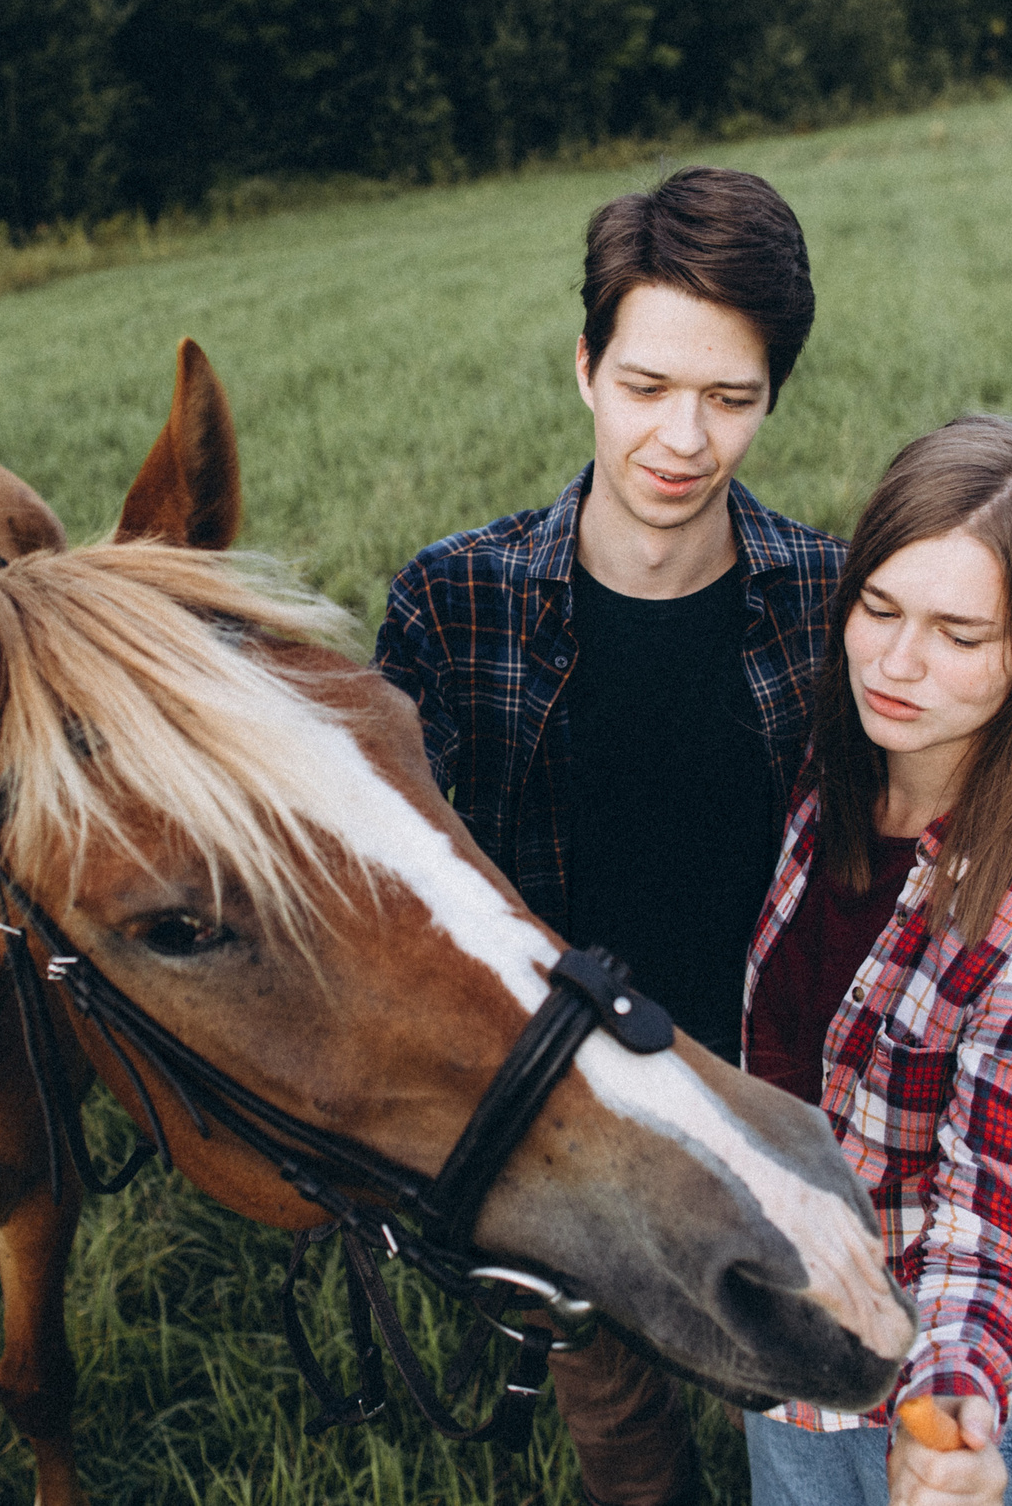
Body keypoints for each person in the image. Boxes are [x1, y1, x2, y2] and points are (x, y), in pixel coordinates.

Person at [372, 165, 843, 1506]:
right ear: (585, 368)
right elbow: (396, 901)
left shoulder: (832, 605)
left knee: (812, 1433)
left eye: (729, 397)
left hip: (776, 1110)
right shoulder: (454, 603)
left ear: (771, 396)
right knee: (631, 1455)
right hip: (570, 1132)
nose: (682, 438)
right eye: (647, 386)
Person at [740, 415, 1012, 1506]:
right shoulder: (827, 775)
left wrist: (952, 1415)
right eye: (878, 608)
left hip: (960, 1399)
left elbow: (992, 1216)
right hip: (788, 1366)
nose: (896, 662)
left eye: (959, 636)